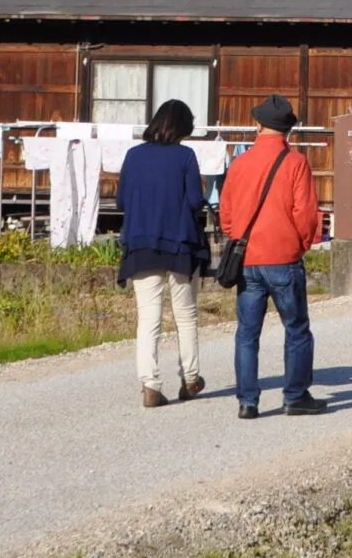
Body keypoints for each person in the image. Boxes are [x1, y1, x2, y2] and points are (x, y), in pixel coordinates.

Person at [221, 94, 326, 418]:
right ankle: (295, 396)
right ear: (288, 130)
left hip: (248, 259)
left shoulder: (239, 164)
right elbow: (306, 214)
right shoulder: (295, 163)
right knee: (296, 328)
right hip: (283, 256)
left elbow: (226, 213)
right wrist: (302, 243)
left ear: (257, 125)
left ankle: (247, 402)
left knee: (247, 334)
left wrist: (236, 237)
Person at [119, 98, 210, 409]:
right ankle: (190, 379)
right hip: (181, 244)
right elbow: (197, 201)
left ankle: (150, 385)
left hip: (141, 243)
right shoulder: (186, 156)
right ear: (182, 127)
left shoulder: (132, 156)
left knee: (149, 319)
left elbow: (121, 201)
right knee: (186, 316)